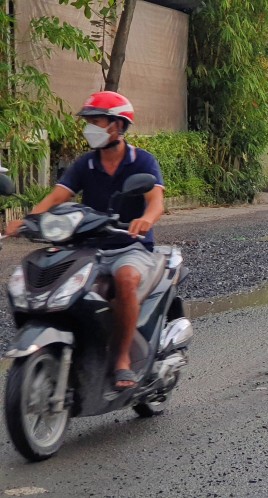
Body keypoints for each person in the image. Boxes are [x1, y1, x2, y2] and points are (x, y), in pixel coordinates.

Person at [5, 91, 165, 391]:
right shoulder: (86, 164)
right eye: (88, 122)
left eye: (96, 121)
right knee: (61, 283)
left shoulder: (141, 160)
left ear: (117, 125)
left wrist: (146, 220)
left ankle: (121, 361)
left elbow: (155, 200)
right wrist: (28, 219)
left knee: (126, 279)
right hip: (90, 246)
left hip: (129, 245)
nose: (89, 128)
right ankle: (76, 349)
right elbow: (57, 197)